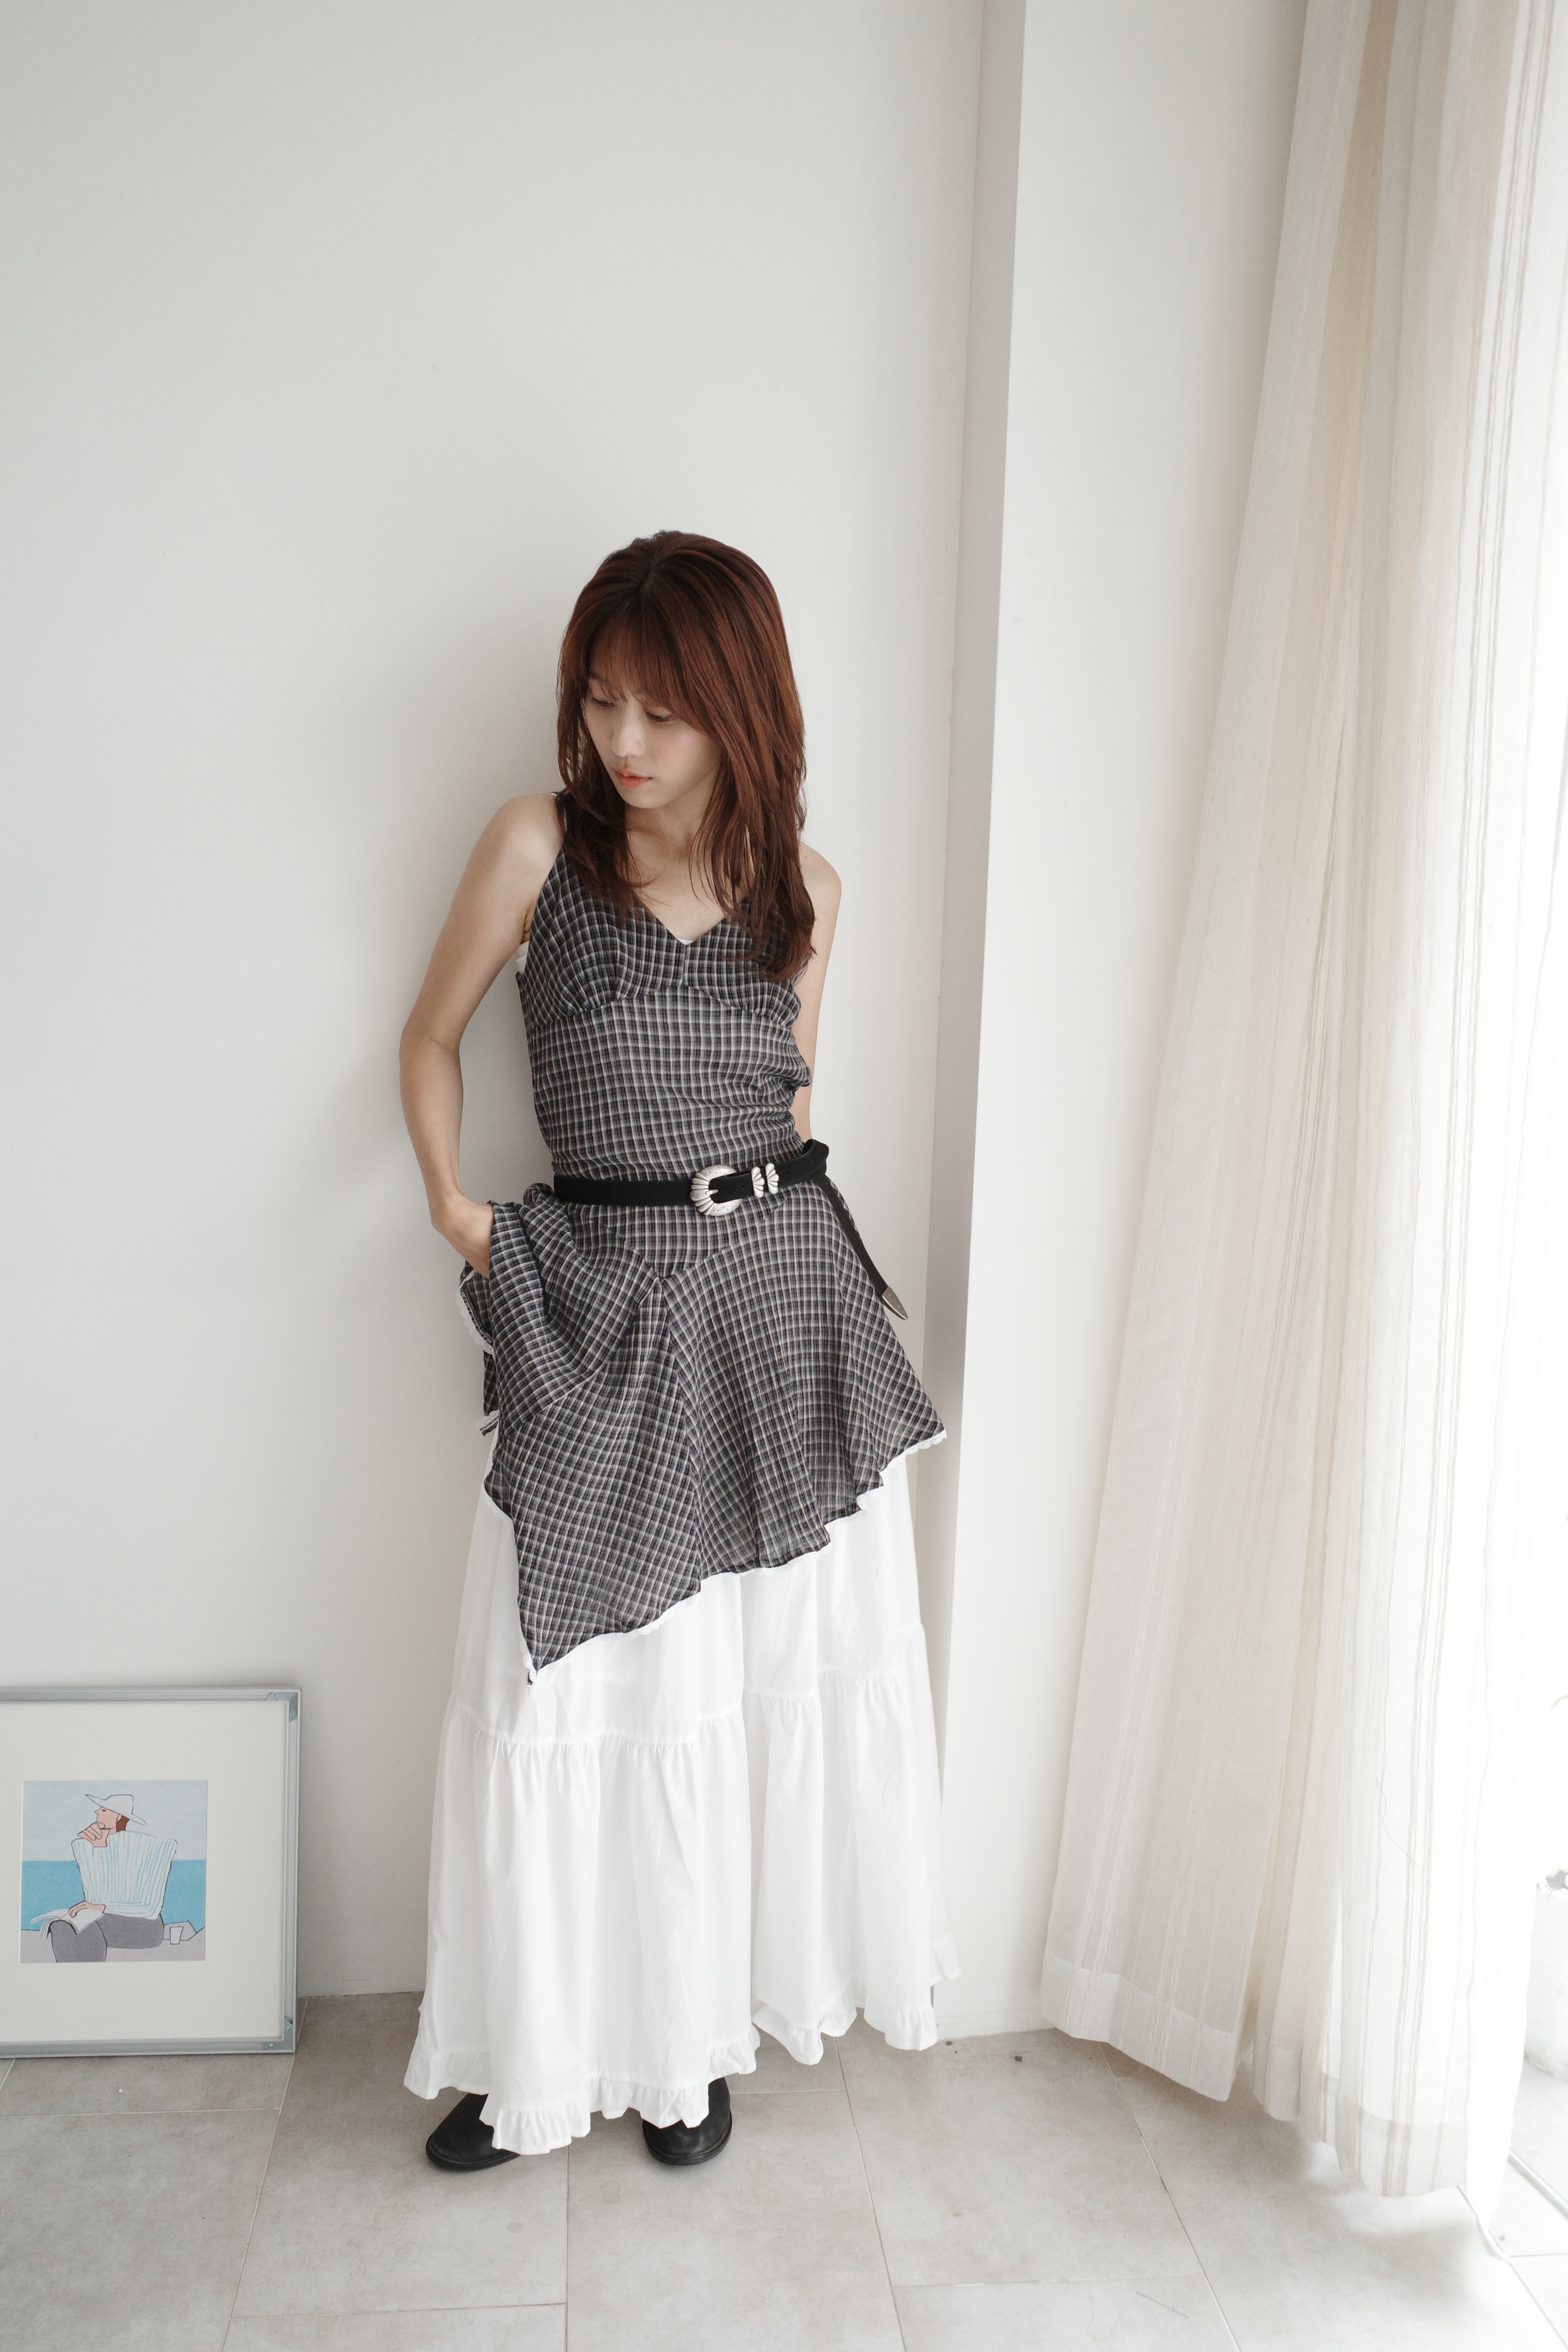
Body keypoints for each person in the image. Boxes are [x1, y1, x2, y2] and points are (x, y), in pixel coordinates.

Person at [399, 531, 956, 2170]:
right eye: (599, 700)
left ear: (741, 705)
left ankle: (689, 2048)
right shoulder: (537, 848)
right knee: (571, 1684)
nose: (621, 740)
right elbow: (428, 1035)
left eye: (661, 708)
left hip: (781, 1310)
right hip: (601, 1306)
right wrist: (456, 1213)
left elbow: (791, 1107)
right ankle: (539, 2057)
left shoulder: (806, 890)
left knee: (737, 1692)